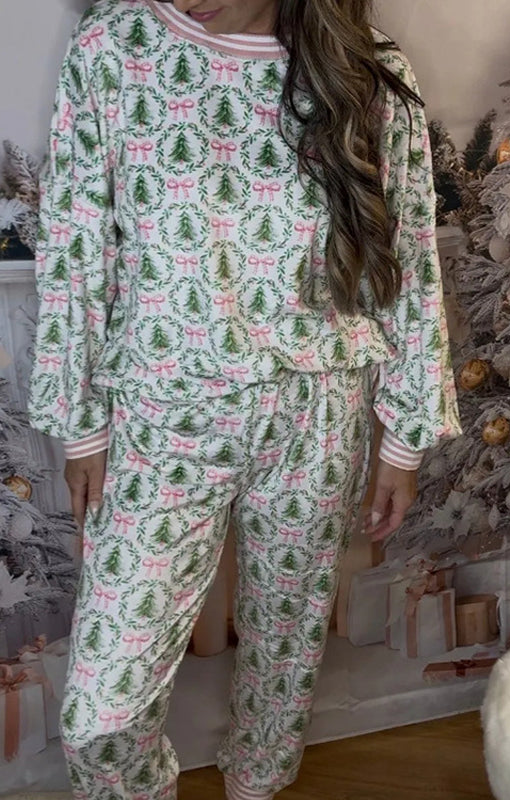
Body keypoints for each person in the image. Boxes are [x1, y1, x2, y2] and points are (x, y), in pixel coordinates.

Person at [27, 1, 462, 798]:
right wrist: (82, 428)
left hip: (317, 410)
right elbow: (76, 242)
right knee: (100, 712)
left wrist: (403, 439)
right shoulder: (114, 47)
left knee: (285, 652)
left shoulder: (367, 72)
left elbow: (407, 258)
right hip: (163, 413)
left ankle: (257, 786)